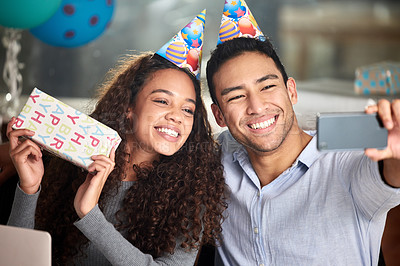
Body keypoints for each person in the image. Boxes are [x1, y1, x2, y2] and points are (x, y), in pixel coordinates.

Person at [7, 49, 227, 265]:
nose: (177, 117)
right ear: (129, 106)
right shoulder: (75, 162)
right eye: (162, 101)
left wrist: (90, 215)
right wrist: (29, 188)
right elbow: (16, 259)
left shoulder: (193, 190)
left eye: (188, 110)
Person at [205, 36, 400, 265]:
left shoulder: (348, 166)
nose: (257, 107)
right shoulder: (215, 160)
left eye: (267, 86)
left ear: (291, 91)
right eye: (236, 96)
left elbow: (389, 176)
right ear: (219, 115)